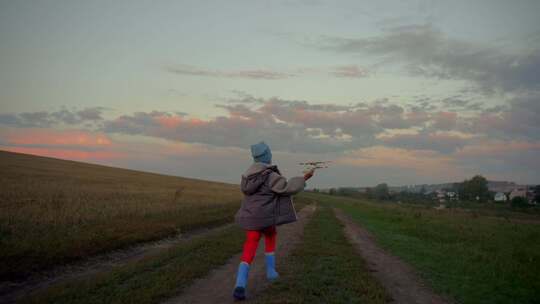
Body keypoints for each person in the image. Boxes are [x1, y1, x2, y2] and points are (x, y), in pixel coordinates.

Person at [232, 141, 314, 301]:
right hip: (266, 218)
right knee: (270, 235)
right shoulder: (270, 175)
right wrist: (304, 177)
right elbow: (287, 188)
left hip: (251, 219)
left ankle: (240, 284)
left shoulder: (247, 176)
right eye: (269, 153)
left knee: (250, 246)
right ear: (266, 155)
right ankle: (271, 271)